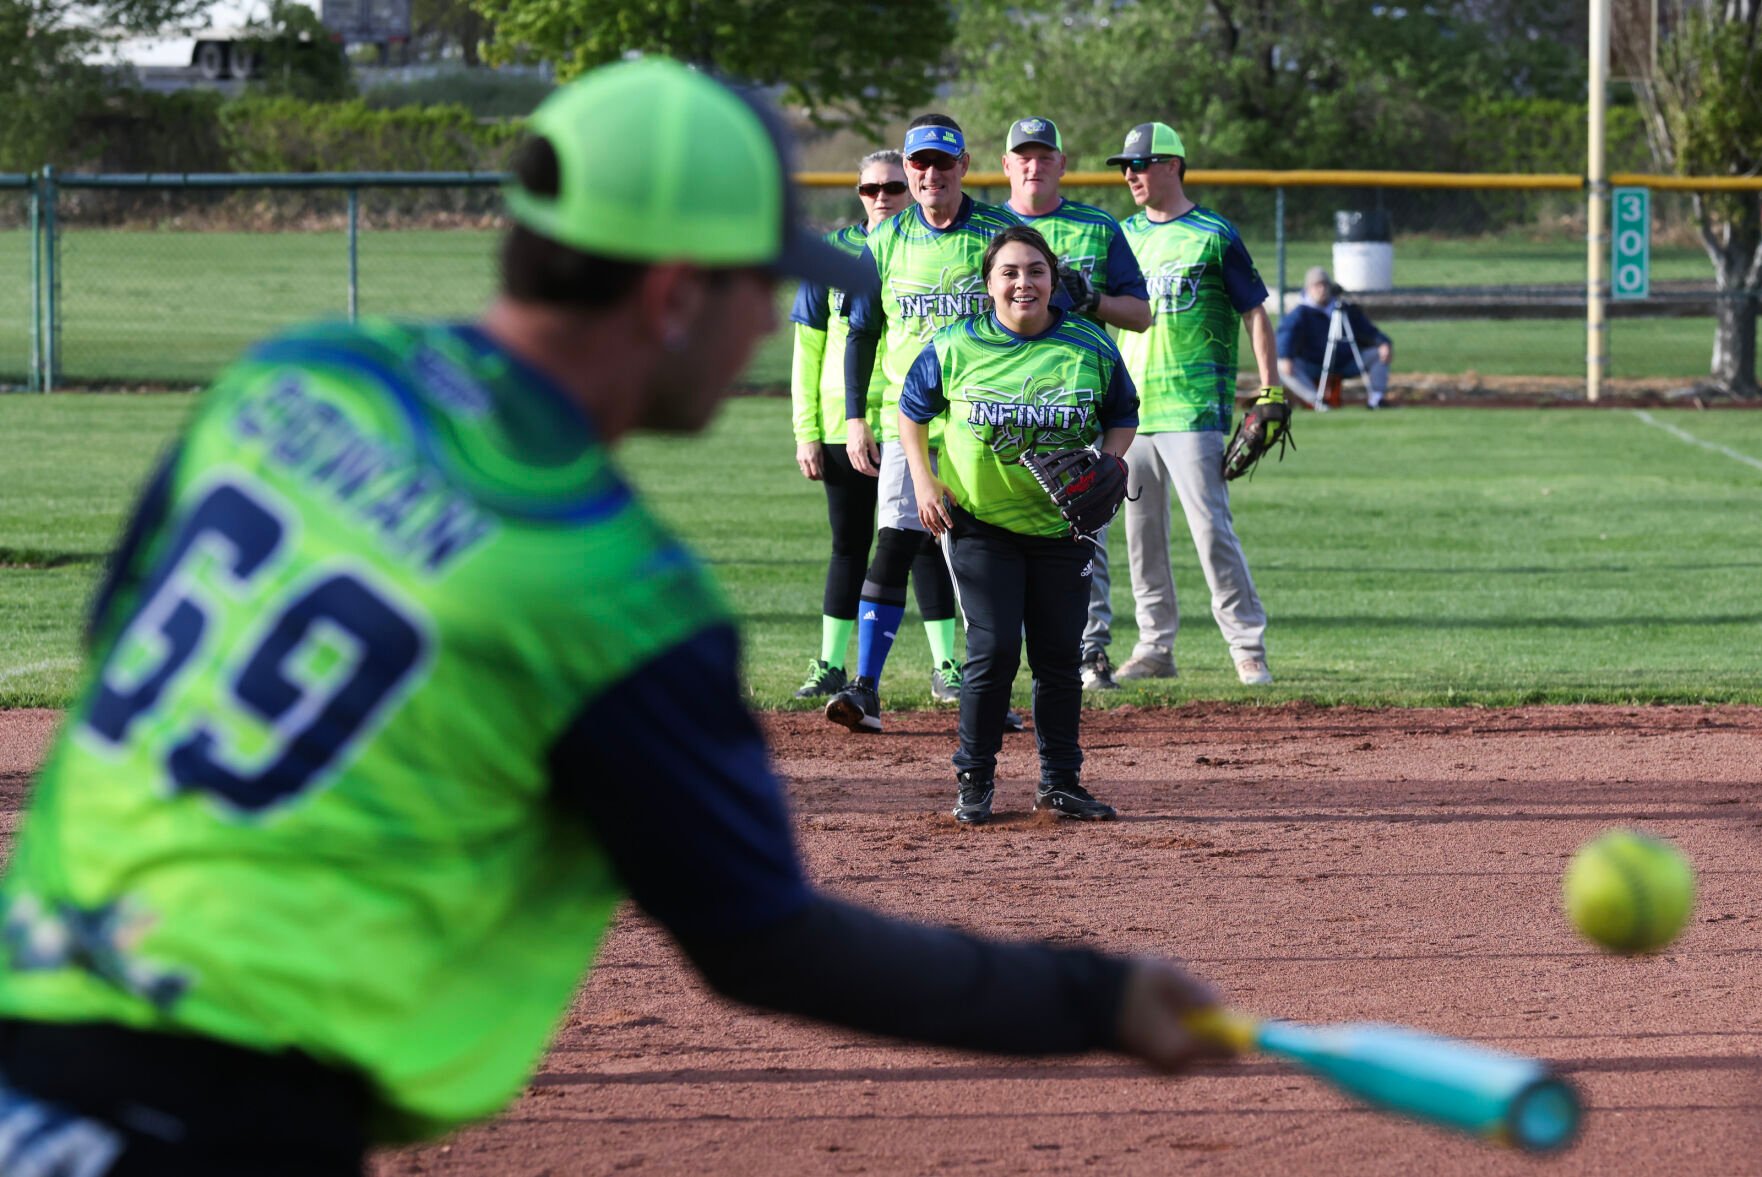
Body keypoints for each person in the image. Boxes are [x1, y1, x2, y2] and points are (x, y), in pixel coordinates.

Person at [0, 60, 1225, 1176]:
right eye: (765, 286)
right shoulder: (614, 595)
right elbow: (764, 940)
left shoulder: (297, 383)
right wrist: (1092, 1000)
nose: (766, 324)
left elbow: (128, 653)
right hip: (213, 1132)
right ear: (676, 292)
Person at [899, 225, 1137, 824]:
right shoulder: (955, 345)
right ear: (988, 283)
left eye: (1035, 270)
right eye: (1009, 271)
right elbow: (912, 412)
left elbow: (1122, 413)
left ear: (1053, 279)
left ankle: (1060, 781)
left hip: (1064, 525)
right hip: (981, 524)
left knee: (1060, 656)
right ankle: (974, 778)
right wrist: (926, 482)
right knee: (995, 648)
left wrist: (1110, 462)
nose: (1023, 282)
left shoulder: (1090, 344)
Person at [823, 113, 1026, 734]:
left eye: (943, 162)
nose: (930, 173)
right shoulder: (884, 241)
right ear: (908, 170)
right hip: (907, 422)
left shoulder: (999, 232)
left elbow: (1034, 313)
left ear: (965, 166)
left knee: (987, 554)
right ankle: (865, 687)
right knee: (895, 540)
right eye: (920, 164)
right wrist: (855, 417)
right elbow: (862, 333)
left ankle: (990, 692)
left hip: (985, 423)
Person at [1107, 121, 1281, 688]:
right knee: (1141, 536)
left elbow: (1254, 309)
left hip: (1194, 408)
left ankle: (1246, 645)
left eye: (1141, 163)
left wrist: (1270, 388)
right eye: (1126, 166)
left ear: (1174, 166)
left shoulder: (1212, 232)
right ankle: (1155, 646)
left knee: (1211, 532)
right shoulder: (1122, 235)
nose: (1131, 173)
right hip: (1132, 412)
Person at [1000, 115, 1151, 693]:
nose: (1034, 165)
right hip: (997, 404)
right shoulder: (986, 225)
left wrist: (1093, 300)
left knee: (1084, 526)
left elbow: (1140, 315)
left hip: (1076, 405)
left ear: (1062, 164)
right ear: (1008, 165)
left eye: (1045, 155)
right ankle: (995, 658)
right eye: (1023, 155)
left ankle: (1090, 652)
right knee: (989, 533)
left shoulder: (1097, 226)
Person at [787, 150, 910, 699]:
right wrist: (806, 432)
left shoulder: (921, 250)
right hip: (845, 423)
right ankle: (830, 664)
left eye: (892, 187)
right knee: (848, 546)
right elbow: (807, 352)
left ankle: (947, 668)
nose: (881, 197)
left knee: (924, 544)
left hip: (912, 418)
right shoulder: (834, 254)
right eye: (869, 189)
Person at [1277, 265, 1394, 410]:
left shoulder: (1344, 309)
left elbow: (1368, 330)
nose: (1322, 290)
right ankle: (1318, 402)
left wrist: (1383, 343)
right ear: (1308, 289)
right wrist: (1285, 356)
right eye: (1317, 286)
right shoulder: (1300, 313)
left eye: (1325, 285)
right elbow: (1285, 335)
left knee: (1379, 354)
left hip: (1347, 361)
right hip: (1313, 363)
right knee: (1282, 367)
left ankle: (1376, 399)